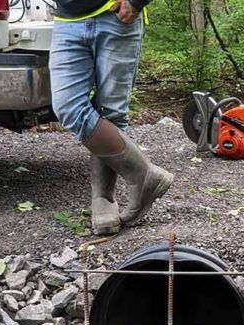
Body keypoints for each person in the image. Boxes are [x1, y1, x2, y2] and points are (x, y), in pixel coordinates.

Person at [49, 0, 173, 236]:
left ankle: (103, 200)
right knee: (67, 106)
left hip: (117, 16)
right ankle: (144, 174)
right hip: (67, 20)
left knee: (112, 113)